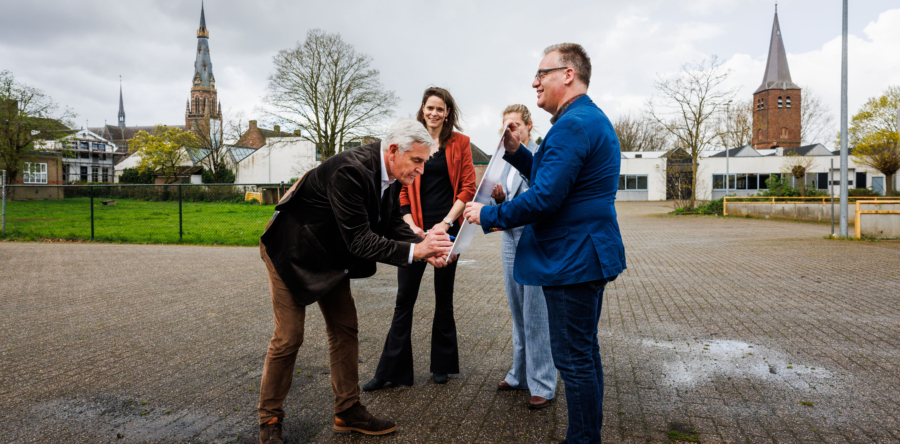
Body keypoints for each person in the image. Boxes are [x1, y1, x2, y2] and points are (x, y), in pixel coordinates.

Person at [463, 43, 626, 444]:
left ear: (567, 74)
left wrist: (487, 214)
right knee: (584, 353)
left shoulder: (572, 125)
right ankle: (587, 434)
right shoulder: (586, 119)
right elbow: (555, 177)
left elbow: (547, 197)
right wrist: (518, 155)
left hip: (573, 258)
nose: (534, 82)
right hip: (587, 254)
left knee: (573, 359)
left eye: (542, 73)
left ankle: (583, 438)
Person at [256, 119, 456, 444]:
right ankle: (270, 419)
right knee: (289, 336)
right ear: (393, 150)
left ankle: (347, 411)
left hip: (330, 255)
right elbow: (361, 241)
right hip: (291, 250)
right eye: (417, 161)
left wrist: (422, 247)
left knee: (345, 328)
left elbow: (391, 222)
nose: (420, 170)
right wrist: (416, 251)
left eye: (423, 162)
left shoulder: (391, 175)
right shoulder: (350, 171)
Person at [363, 87, 477, 390]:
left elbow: (468, 188)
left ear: (448, 112)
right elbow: (401, 185)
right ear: (423, 109)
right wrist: (411, 224)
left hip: (447, 228)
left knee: (444, 298)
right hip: (411, 232)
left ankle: (442, 364)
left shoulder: (461, 143)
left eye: (440, 109)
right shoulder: (411, 140)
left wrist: (445, 223)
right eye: (430, 108)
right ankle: (390, 371)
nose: (435, 113)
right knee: (404, 299)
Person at [489, 104, 557, 409]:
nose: (510, 131)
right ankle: (519, 373)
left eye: (515, 125)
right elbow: (506, 196)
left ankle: (543, 382)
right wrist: (499, 199)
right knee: (517, 309)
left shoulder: (540, 154)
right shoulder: (502, 159)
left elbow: (542, 194)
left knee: (536, 312)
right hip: (509, 236)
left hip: (535, 237)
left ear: (529, 126)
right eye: (505, 126)